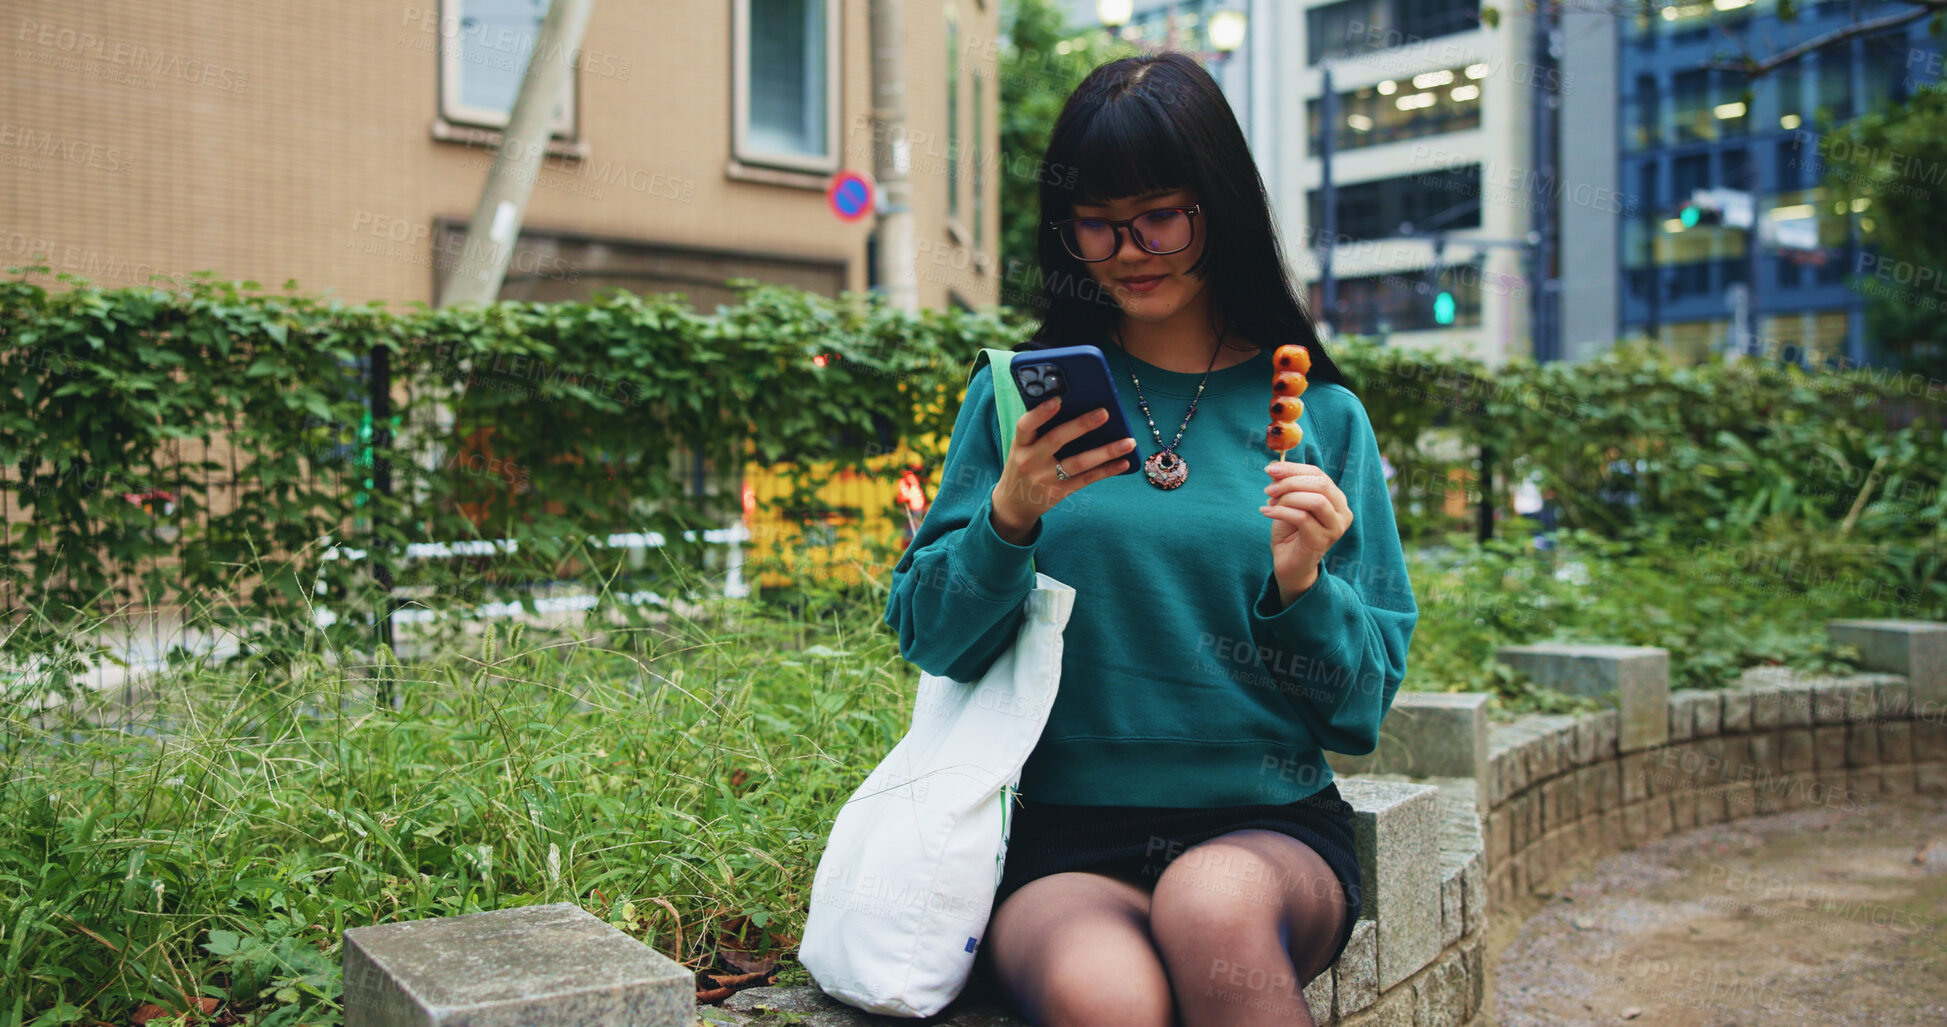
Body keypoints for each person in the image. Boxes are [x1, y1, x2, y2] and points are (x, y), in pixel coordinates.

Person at [881, 52, 1418, 1027]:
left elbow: (1359, 713)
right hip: (1068, 843)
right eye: (1097, 222)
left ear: (1223, 208)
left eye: (1161, 214)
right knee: (1105, 999)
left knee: (1210, 905)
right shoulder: (1018, 401)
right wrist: (1007, 520)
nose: (1130, 247)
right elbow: (929, 636)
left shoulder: (1322, 417)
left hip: (1267, 832)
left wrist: (1305, 589)